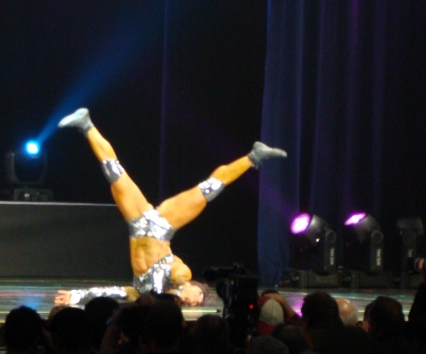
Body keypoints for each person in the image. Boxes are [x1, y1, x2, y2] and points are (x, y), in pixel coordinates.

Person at [55, 108, 287, 307]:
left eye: (193, 304)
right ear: (194, 288)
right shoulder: (182, 275)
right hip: (161, 226)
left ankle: (86, 124)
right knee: (208, 189)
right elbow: (175, 274)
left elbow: (115, 292)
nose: (193, 302)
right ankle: (254, 157)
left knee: (114, 173)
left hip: (138, 224)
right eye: (197, 298)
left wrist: (77, 295)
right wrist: (176, 292)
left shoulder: (145, 292)